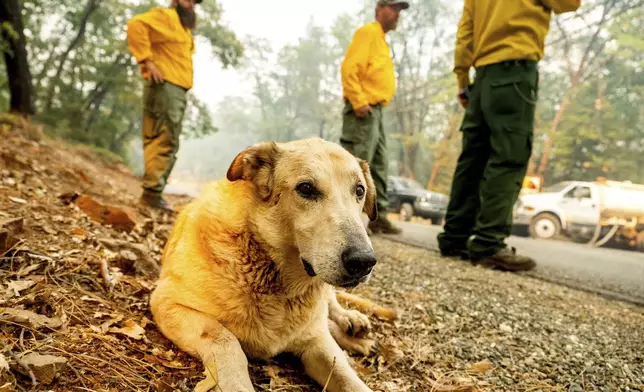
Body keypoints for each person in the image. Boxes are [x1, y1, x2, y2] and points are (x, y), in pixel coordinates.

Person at [437, 0, 581, 270]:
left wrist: (462, 78)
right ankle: (488, 243)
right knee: (508, 156)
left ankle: (454, 237)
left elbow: (465, 32)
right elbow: (569, 3)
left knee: (472, 159)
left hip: (481, 78)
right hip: (515, 71)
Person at [339, 0, 409, 235]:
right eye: (394, 8)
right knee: (355, 164)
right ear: (379, 9)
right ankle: (348, 219)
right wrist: (359, 102)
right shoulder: (367, 33)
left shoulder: (381, 40)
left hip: (375, 112)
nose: (397, 14)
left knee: (379, 164)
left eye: (400, 10)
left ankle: (378, 216)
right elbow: (349, 69)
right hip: (363, 109)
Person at [126, 0, 200, 212]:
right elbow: (135, 25)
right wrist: (147, 61)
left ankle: (152, 194)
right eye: (188, 0)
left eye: (195, 2)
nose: (192, 5)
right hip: (166, 87)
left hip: (174, 89)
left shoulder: (182, 27)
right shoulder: (166, 17)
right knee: (164, 140)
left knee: (166, 139)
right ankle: (151, 195)